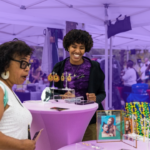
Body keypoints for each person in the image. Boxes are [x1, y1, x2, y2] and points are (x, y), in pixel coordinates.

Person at [50, 29, 106, 141]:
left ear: (86, 49)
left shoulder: (94, 67)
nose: (77, 51)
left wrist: (96, 98)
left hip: (90, 120)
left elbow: (102, 93)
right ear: (68, 47)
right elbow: (52, 92)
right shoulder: (59, 67)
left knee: (90, 147)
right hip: (67, 119)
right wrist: (62, 95)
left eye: (81, 47)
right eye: (74, 46)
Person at [0, 40, 36, 150]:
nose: (27, 68)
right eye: (23, 63)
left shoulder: (9, 90)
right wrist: (21, 145)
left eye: (28, 64)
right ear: (6, 64)